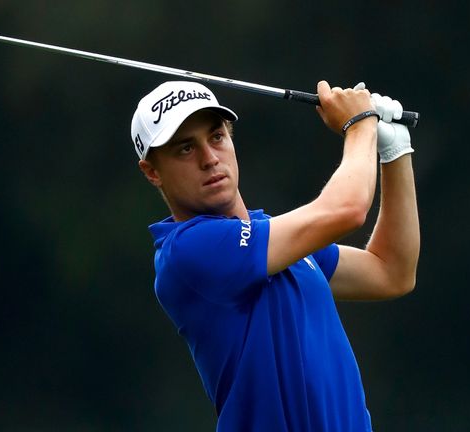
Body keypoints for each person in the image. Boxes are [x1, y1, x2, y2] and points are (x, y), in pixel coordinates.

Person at [130, 80, 420, 431]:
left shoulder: (275, 241)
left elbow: (391, 271)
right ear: (152, 171)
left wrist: (395, 153)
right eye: (185, 149)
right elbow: (347, 210)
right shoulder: (188, 251)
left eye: (217, 137)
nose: (209, 159)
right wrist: (360, 126)